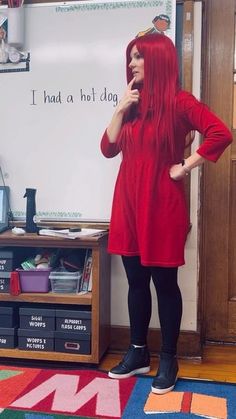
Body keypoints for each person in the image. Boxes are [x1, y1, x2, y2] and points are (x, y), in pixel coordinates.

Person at [100, 33, 232, 395]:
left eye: (138, 57)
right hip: (127, 204)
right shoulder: (133, 104)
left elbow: (220, 133)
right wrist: (118, 109)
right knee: (136, 282)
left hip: (162, 207)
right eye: (130, 58)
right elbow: (108, 149)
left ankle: (169, 358)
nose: (132, 64)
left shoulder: (179, 101)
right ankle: (138, 352)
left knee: (165, 284)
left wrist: (185, 166)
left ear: (157, 59)